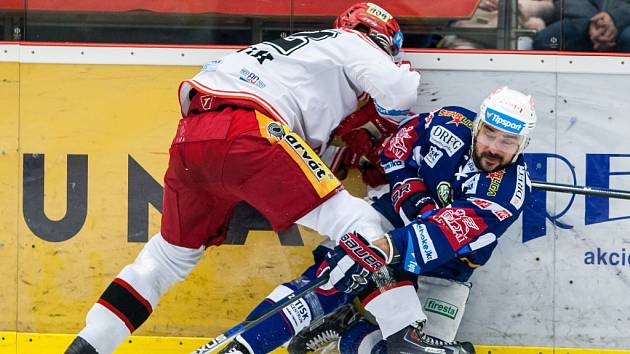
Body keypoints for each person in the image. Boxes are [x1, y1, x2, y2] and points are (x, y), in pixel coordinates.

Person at [63, 2, 420, 354]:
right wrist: (397, 84)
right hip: (252, 133)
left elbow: (299, 147)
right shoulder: (352, 42)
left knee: (167, 258)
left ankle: (88, 344)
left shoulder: (285, 52)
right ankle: (405, 334)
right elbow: (400, 91)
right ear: (381, 39)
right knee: (366, 224)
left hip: (193, 138)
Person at [215, 86, 537, 354]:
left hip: (443, 269)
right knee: (330, 280)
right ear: (478, 124)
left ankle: (351, 331)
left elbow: (441, 234)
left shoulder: (507, 194)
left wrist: (385, 248)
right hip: (387, 223)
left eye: (508, 141)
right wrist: (415, 200)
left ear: (523, 144)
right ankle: (245, 347)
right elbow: (396, 149)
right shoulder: (447, 121)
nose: (493, 147)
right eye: (489, 133)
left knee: (407, 350)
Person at [533, 0, 630, 51]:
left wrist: (616, 17)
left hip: (625, 20)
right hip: (582, 19)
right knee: (545, 41)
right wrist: (592, 21)